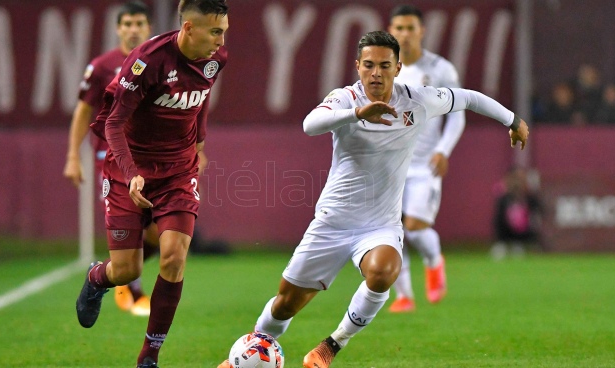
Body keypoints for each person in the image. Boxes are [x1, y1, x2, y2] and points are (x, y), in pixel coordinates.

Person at [218, 30, 528, 368]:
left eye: (384, 65)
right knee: (285, 305)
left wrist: (512, 120)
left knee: (384, 271)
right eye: (368, 65)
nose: (375, 73)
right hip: (332, 222)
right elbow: (310, 124)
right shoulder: (345, 99)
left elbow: (467, 98)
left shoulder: (418, 99)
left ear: (398, 67)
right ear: (357, 66)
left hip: (379, 225)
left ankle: (330, 347)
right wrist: (356, 115)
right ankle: (243, 357)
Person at [74, 1, 229, 367]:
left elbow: (202, 97)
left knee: (174, 258)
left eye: (223, 31)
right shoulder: (147, 60)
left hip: (178, 170)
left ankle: (149, 356)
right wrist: (131, 173)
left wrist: (200, 142)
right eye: (215, 31)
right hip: (129, 169)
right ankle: (97, 278)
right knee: (127, 271)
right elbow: (112, 123)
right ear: (189, 28)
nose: (222, 41)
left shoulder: (215, 57)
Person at [63, 1, 155, 316]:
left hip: (152, 159)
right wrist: (73, 155)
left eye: (139, 23)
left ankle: (120, 277)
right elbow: (84, 111)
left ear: (148, 28)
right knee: (134, 227)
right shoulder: (103, 66)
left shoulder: (159, 62)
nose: (133, 29)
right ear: (118, 28)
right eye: (127, 23)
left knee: (159, 232)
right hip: (114, 163)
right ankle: (131, 287)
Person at [385, 4, 466, 313]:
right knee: (391, 230)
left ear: (422, 31)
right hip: (391, 164)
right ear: (391, 31)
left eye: (410, 28)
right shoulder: (385, 67)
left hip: (424, 164)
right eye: (399, 28)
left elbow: (457, 115)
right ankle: (404, 296)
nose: (404, 34)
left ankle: (434, 261)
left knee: (415, 226)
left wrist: (443, 150)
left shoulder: (441, 69)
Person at [490, 167, 542, 260]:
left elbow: (539, 211)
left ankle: (521, 244)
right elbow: (499, 220)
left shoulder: (529, 198)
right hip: (505, 233)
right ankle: (503, 244)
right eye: (515, 178)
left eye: (520, 179)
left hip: (524, 233)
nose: (517, 182)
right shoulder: (504, 199)